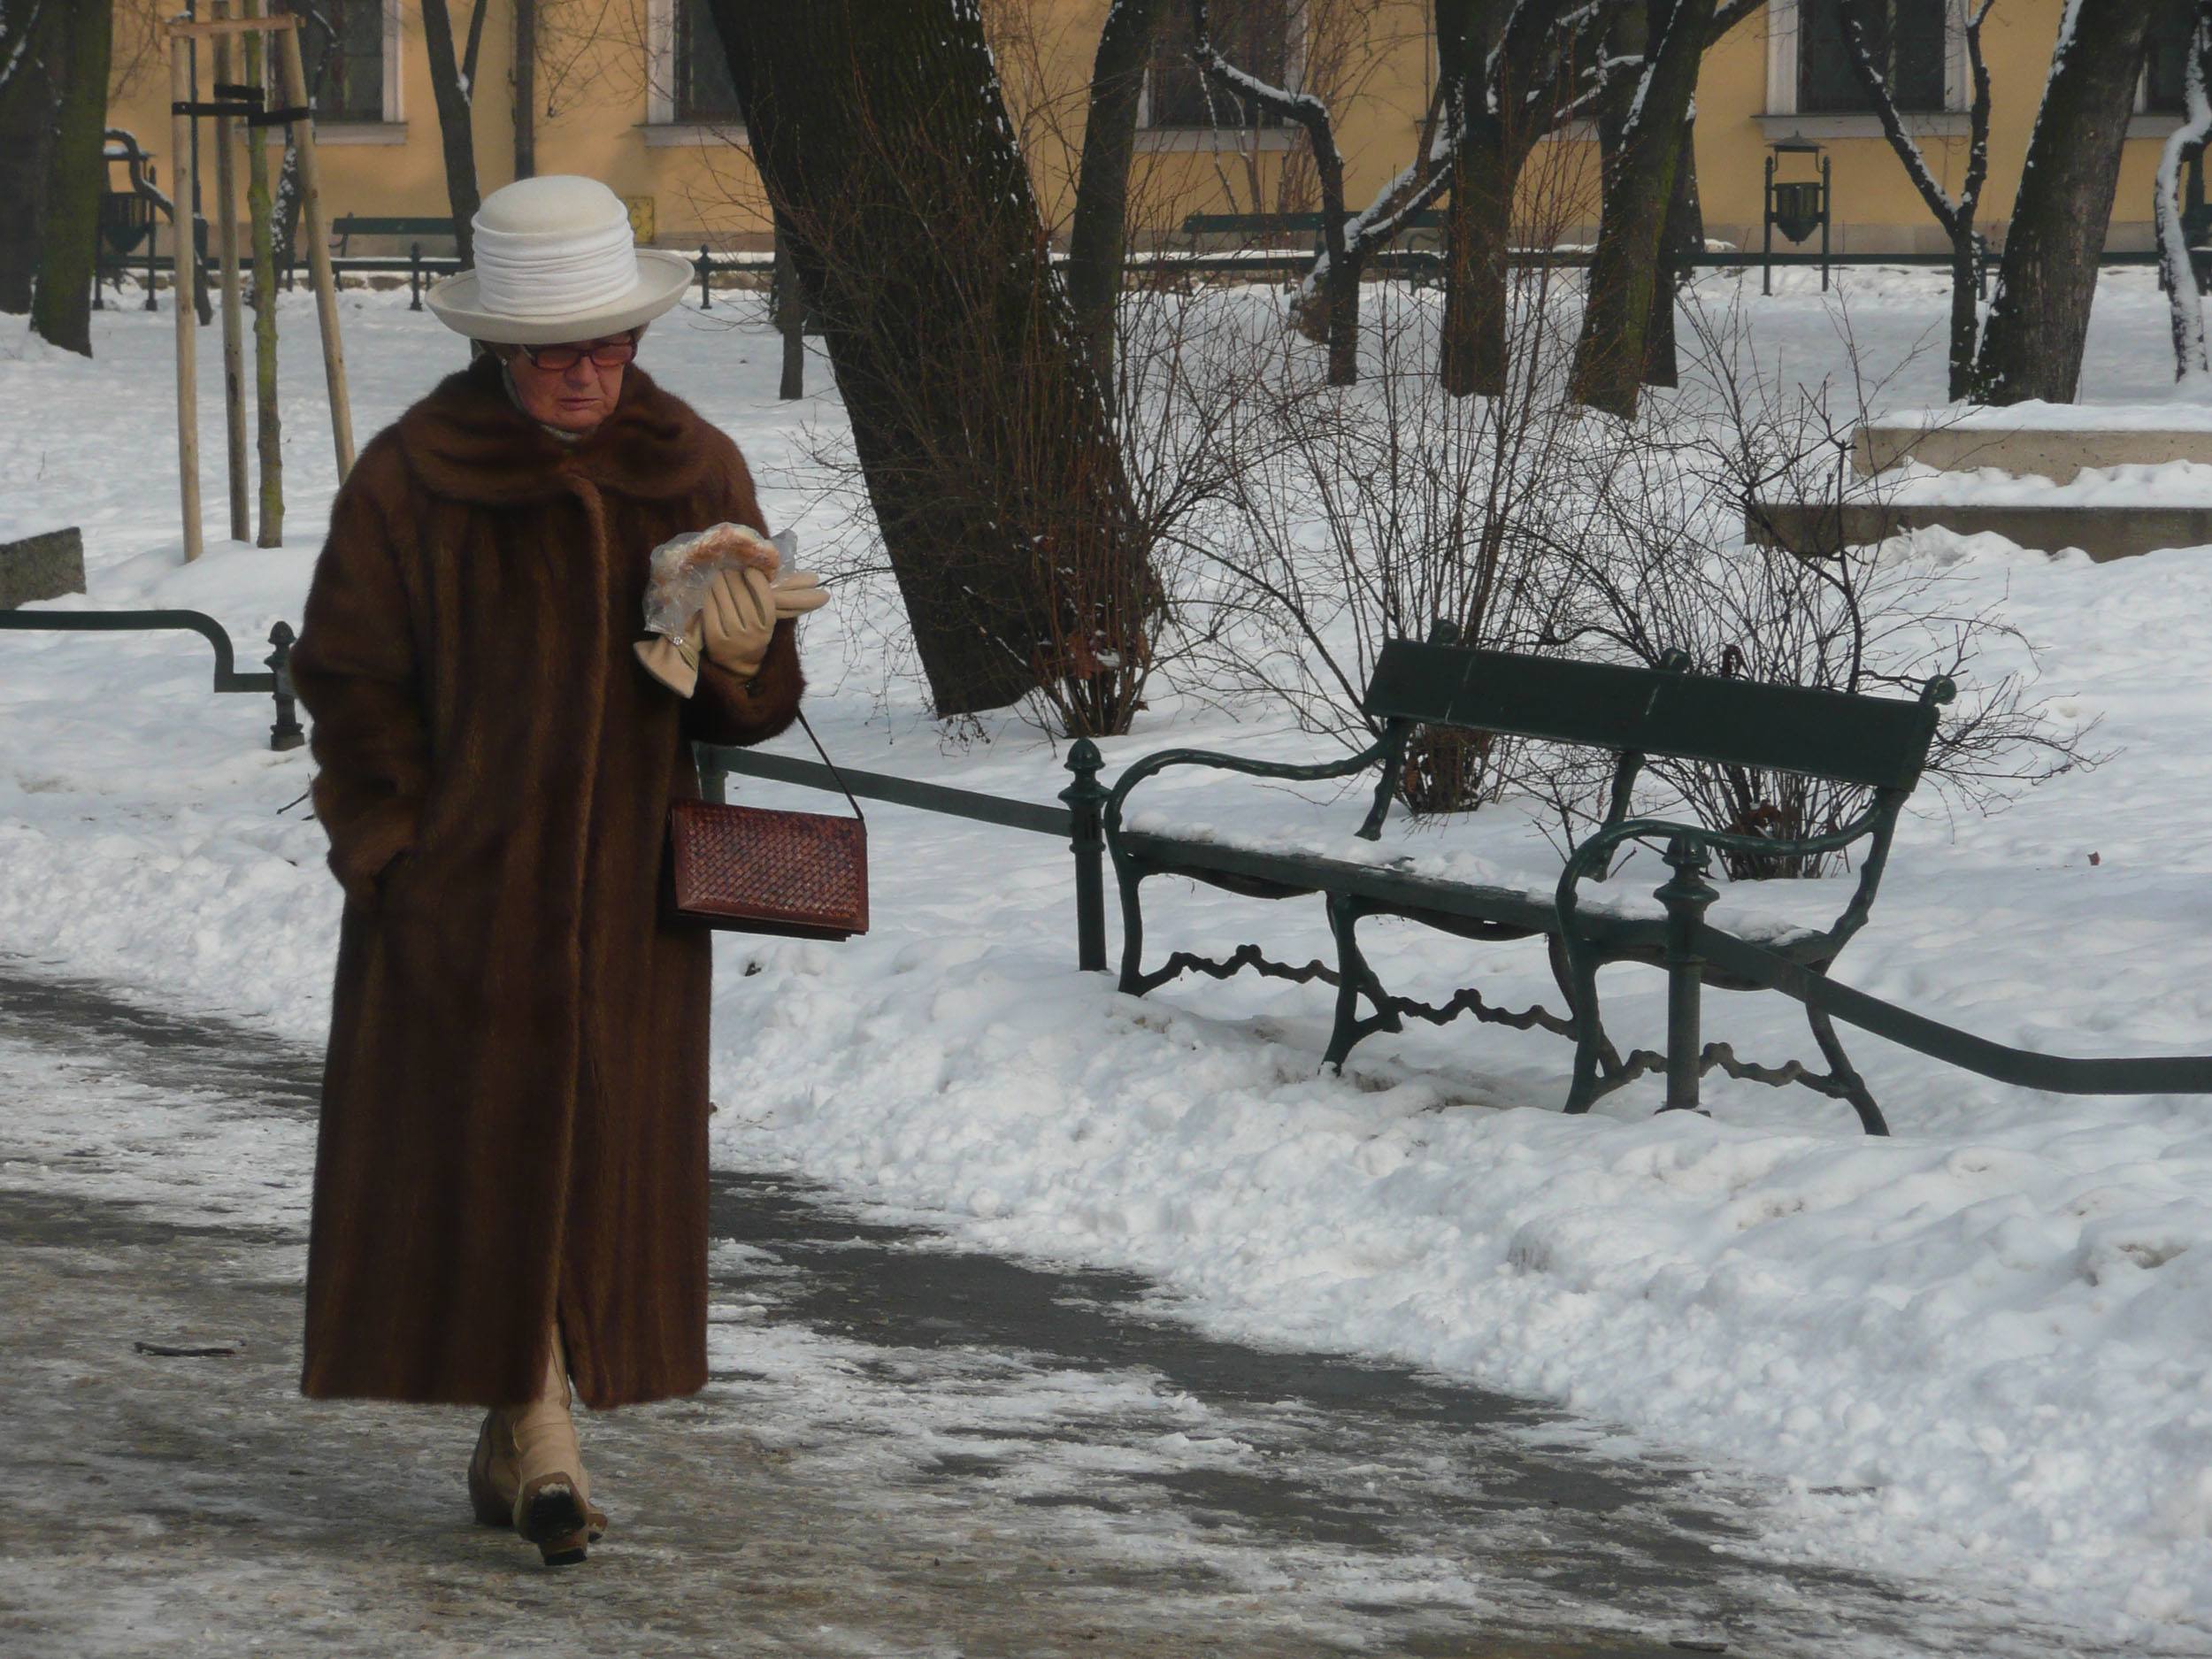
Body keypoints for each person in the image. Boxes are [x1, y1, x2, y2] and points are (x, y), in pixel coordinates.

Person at [288, 175, 826, 1567]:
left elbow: (747, 713)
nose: (584, 370)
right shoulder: (412, 477)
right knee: (487, 1160)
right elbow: (346, 683)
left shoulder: (695, 468)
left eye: (604, 342)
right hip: (457, 904)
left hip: (628, 910)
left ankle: (519, 1424)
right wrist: (396, 857)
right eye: (551, 348)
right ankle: (540, 1438)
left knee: (584, 1169)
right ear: (498, 349)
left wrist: (745, 654)